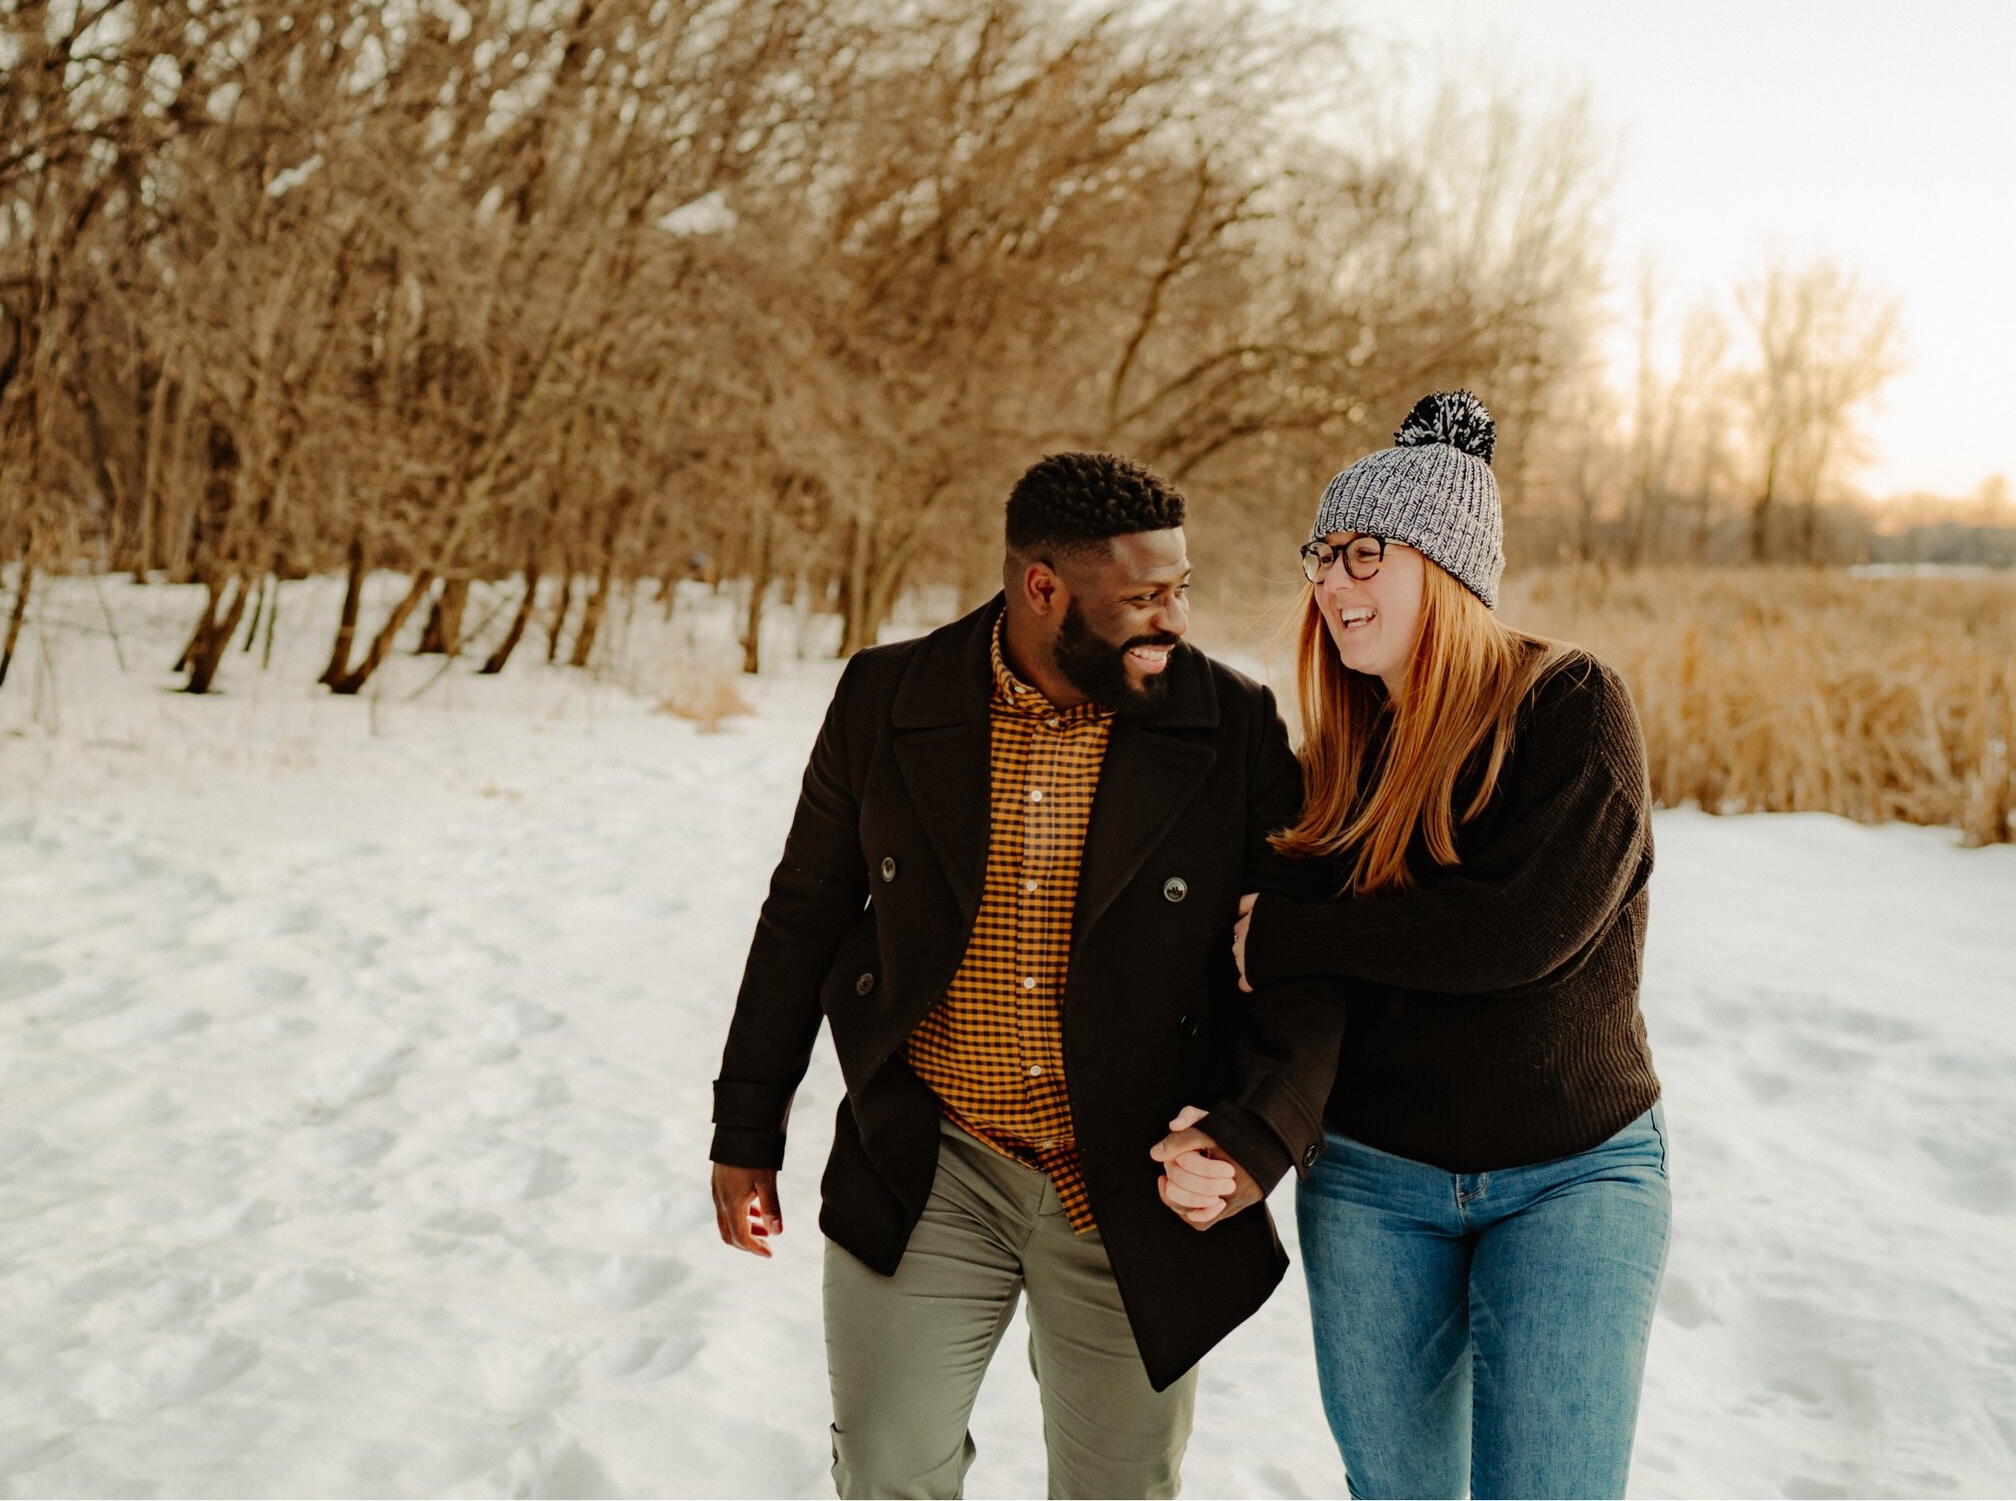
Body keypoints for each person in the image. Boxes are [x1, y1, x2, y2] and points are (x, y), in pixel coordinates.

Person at [708, 452, 1341, 1500]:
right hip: (933, 1154)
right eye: (1142, 597)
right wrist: (745, 1126)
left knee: (1119, 1486)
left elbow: (1301, 964)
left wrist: (1256, 1134)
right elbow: (804, 914)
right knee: (884, 1463)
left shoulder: (1230, 726)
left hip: (1128, 1177)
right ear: (1042, 588)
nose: (1173, 620)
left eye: (1180, 588)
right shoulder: (887, 698)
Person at [1153, 391, 1669, 1500]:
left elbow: (1515, 933)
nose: (1331, 581)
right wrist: (1240, 1124)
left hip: (1571, 1177)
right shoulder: (1338, 754)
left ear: (1444, 562)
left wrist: (1300, 931)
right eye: (1320, 556)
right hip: (1374, 1183)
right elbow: (1276, 992)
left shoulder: (1570, 706)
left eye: (1362, 552)